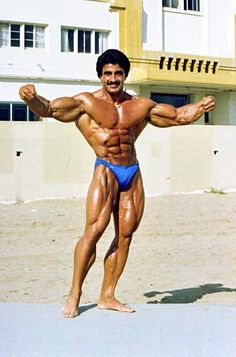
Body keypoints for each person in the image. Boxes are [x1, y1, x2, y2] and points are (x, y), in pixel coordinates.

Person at [19, 49, 215, 318]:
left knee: (125, 235)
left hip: (131, 172)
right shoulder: (85, 102)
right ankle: (74, 294)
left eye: (118, 73)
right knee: (94, 230)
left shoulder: (140, 106)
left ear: (125, 75)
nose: (113, 78)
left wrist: (200, 108)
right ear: (100, 75)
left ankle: (107, 295)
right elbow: (50, 109)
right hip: (106, 169)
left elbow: (178, 116)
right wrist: (31, 99)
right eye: (108, 73)